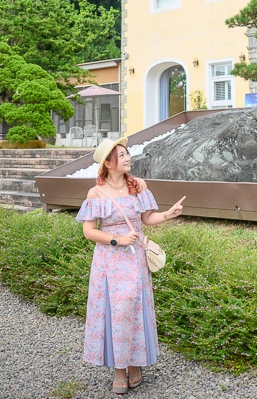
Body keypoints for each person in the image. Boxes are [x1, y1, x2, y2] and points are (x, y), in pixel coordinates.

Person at [76, 137, 185, 394]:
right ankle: (118, 369)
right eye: (122, 155)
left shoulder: (138, 186)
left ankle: (136, 363)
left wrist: (168, 215)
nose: (128, 158)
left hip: (135, 260)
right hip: (109, 262)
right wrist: (117, 239)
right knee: (115, 312)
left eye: (127, 154)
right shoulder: (96, 193)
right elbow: (89, 231)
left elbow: (147, 218)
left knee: (134, 310)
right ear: (109, 163)